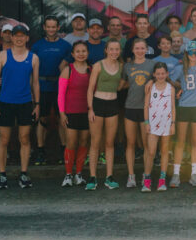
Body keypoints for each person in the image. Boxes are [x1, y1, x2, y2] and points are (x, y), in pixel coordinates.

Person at [0, 24, 40, 189]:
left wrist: (37, 104)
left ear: (27, 38)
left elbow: (35, 83)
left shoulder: (33, 58)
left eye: (22, 36)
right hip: (5, 102)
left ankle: (24, 174)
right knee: (4, 139)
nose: (19, 38)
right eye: (16, 35)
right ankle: (3, 175)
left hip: (25, 103)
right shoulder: (2, 56)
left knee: (24, 138)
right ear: (11, 37)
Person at [31, 16, 72, 166]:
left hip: (60, 87)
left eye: (54, 27)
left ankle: (64, 151)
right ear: (44, 27)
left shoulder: (66, 46)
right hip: (42, 87)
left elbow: (69, 67)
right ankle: (41, 151)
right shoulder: (37, 46)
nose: (51, 29)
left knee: (63, 119)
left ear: (58, 27)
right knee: (42, 119)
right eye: (48, 27)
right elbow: (32, 69)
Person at [86, 39, 123, 190]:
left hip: (113, 105)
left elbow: (121, 84)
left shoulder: (121, 66)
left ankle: (109, 176)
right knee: (95, 142)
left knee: (109, 143)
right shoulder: (98, 65)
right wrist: (90, 108)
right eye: (111, 49)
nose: (114, 52)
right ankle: (92, 177)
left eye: (117, 49)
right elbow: (90, 89)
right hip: (98, 104)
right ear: (106, 50)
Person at [169, 41, 196, 188]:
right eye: (190, 52)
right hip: (184, 106)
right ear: (186, 53)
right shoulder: (180, 69)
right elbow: (169, 80)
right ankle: (176, 174)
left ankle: (194, 174)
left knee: (195, 141)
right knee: (181, 140)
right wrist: (179, 89)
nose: (193, 55)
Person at [120, 38, 155, 188]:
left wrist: (152, 81)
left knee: (147, 144)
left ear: (146, 50)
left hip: (146, 109)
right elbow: (121, 85)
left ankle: (146, 176)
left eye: (142, 48)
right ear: (133, 50)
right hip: (130, 107)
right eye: (137, 48)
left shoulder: (152, 64)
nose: (140, 51)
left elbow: (161, 80)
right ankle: (131, 176)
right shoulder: (127, 66)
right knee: (131, 143)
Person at [58, 41, 90, 187]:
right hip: (71, 112)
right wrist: (62, 113)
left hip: (87, 112)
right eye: (78, 51)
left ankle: (79, 174)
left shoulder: (91, 70)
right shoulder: (68, 70)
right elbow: (61, 94)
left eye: (84, 51)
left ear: (87, 53)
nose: (81, 54)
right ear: (72, 54)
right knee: (71, 143)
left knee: (84, 142)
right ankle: (68, 175)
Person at [141, 63, 176, 192]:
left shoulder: (170, 88)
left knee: (165, 152)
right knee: (151, 152)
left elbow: (173, 107)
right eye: (158, 74)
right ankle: (147, 180)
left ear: (166, 74)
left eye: (163, 73)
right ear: (154, 75)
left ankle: (162, 180)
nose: (161, 76)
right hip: (153, 124)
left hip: (166, 124)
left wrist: (173, 123)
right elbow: (145, 106)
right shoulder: (151, 87)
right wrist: (146, 123)